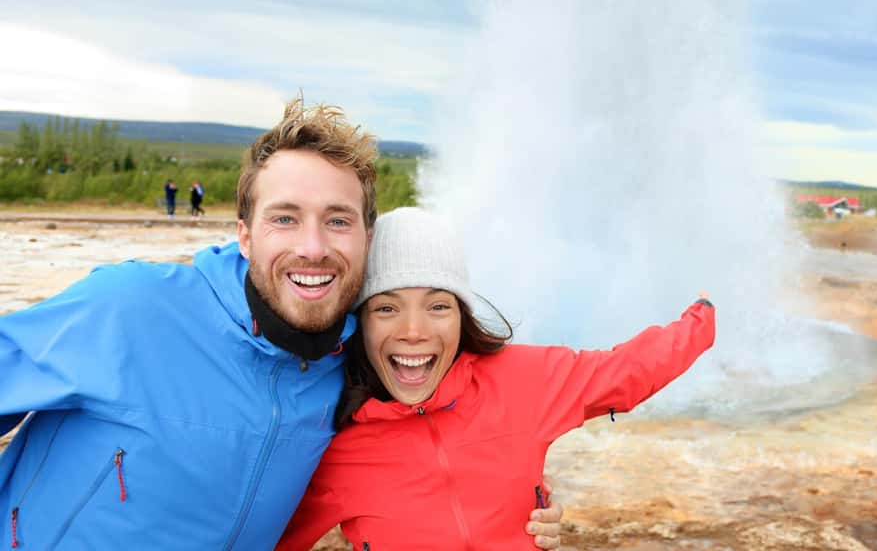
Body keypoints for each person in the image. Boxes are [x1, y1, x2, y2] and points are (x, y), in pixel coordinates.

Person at [0, 99, 563, 549]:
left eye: (337, 221)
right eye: (285, 218)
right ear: (245, 233)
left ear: (367, 239)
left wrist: (523, 501)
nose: (313, 248)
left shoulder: (356, 365)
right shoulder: (129, 310)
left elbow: (427, 442)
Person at [277, 207, 716, 549]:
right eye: (386, 308)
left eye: (438, 306)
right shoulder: (331, 441)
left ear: (462, 316)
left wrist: (701, 319)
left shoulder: (523, 380)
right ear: (360, 324)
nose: (414, 331)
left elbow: (628, 371)